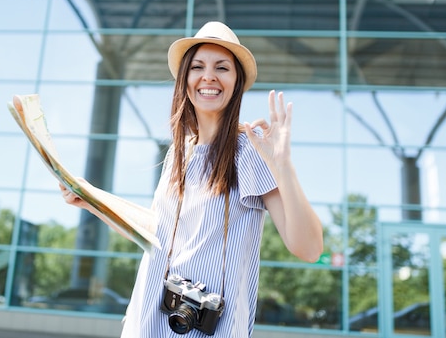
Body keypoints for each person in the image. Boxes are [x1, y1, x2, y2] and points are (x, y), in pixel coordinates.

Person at [60, 21, 323, 337]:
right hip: (147, 325)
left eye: (222, 67)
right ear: (185, 80)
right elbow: (155, 233)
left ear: (237, 82)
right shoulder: (178, 153)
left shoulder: (251, 148)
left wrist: (283, 166)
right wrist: (91, 198)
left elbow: (309, 248)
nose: (209, 76)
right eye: (197, 66)